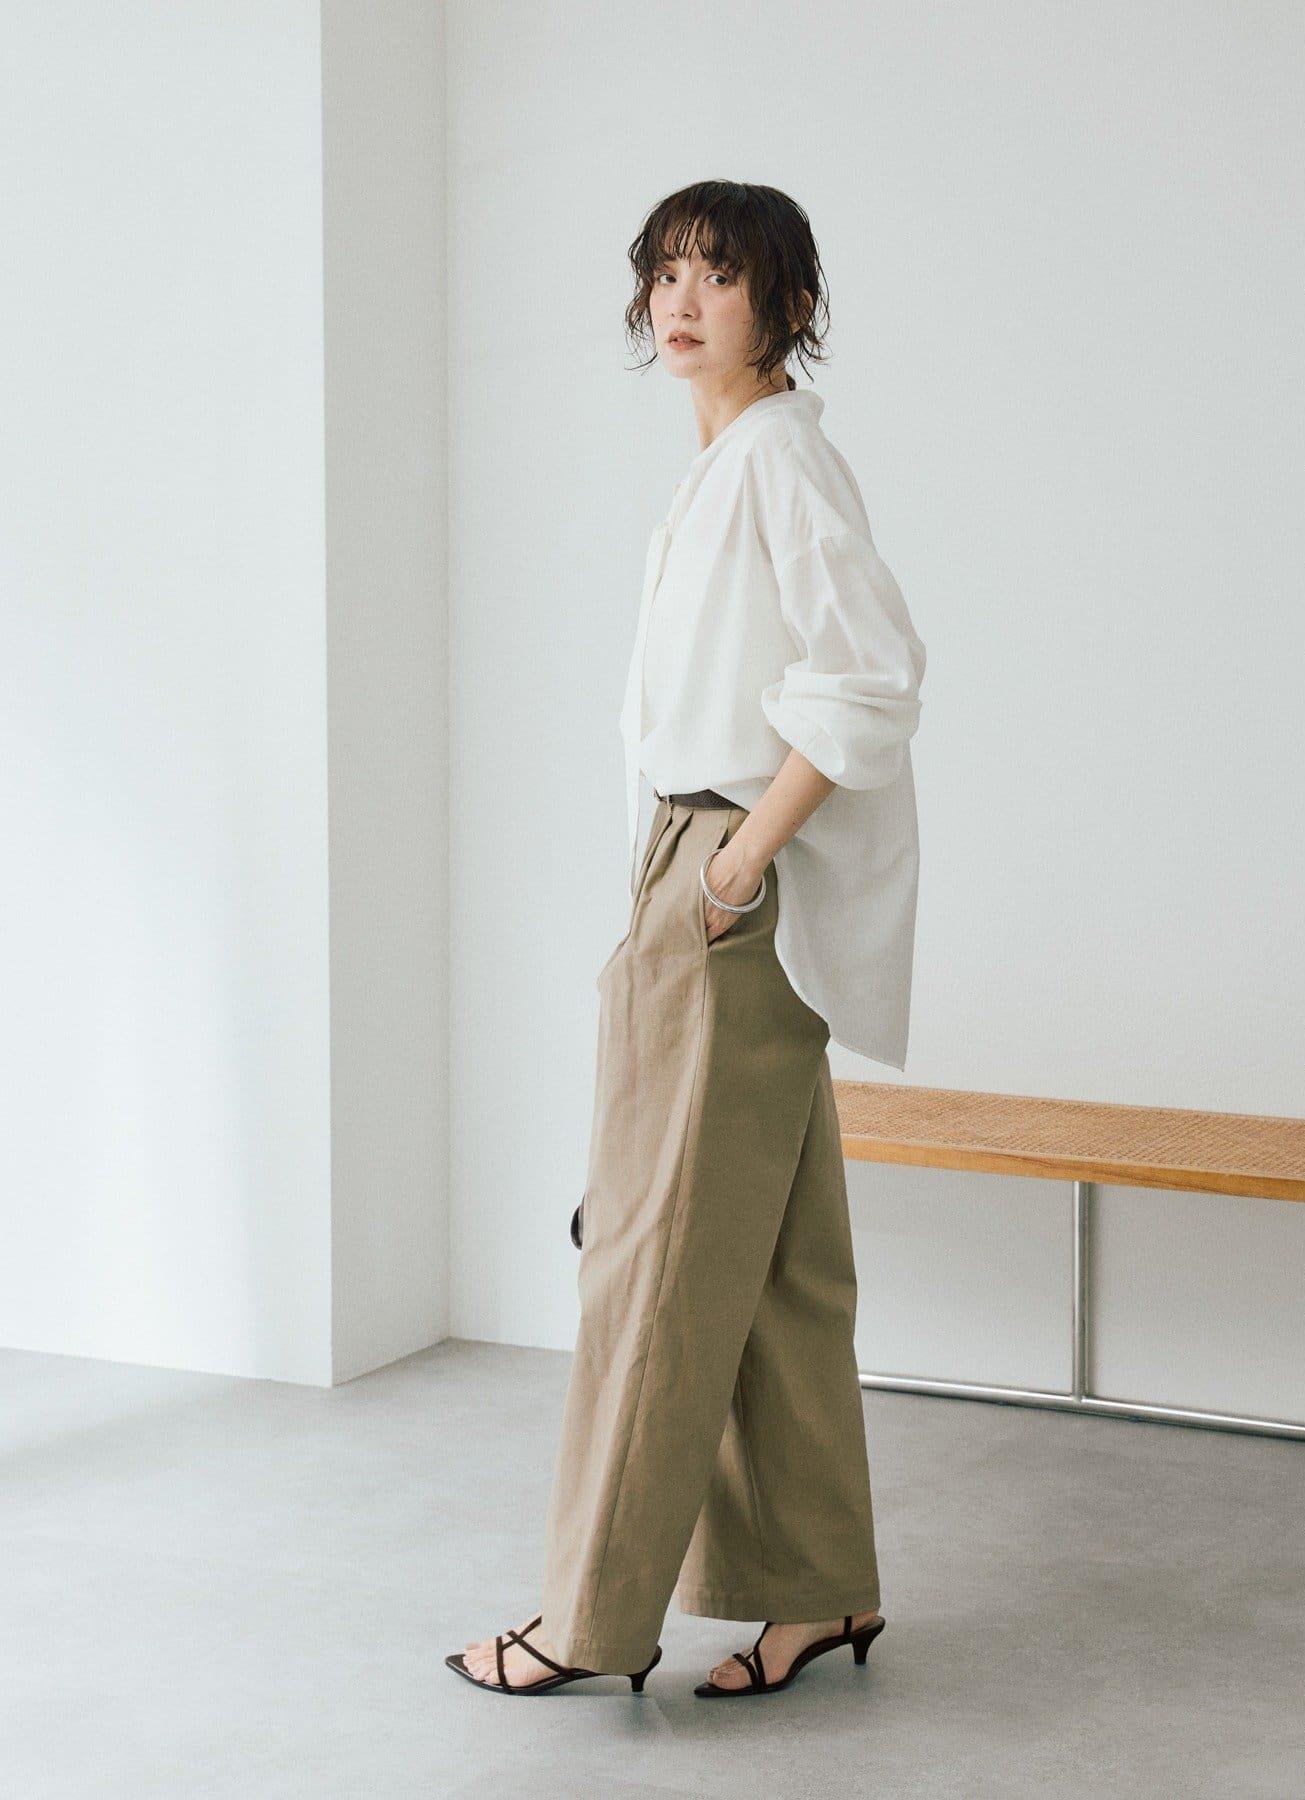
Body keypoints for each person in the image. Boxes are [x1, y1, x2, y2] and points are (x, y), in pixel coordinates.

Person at [448, 180, 926, 1699]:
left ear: (788, 305)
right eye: (666, 272)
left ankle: (587, 1621)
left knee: (649, 1256)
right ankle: (819, 1592)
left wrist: (738, 862)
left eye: (719, 274)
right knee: (781, 1271)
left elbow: (872, 676)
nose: (682, 299)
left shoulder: (780, 458)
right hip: (700, 868)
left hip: (726, 877)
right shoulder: (730, 464)